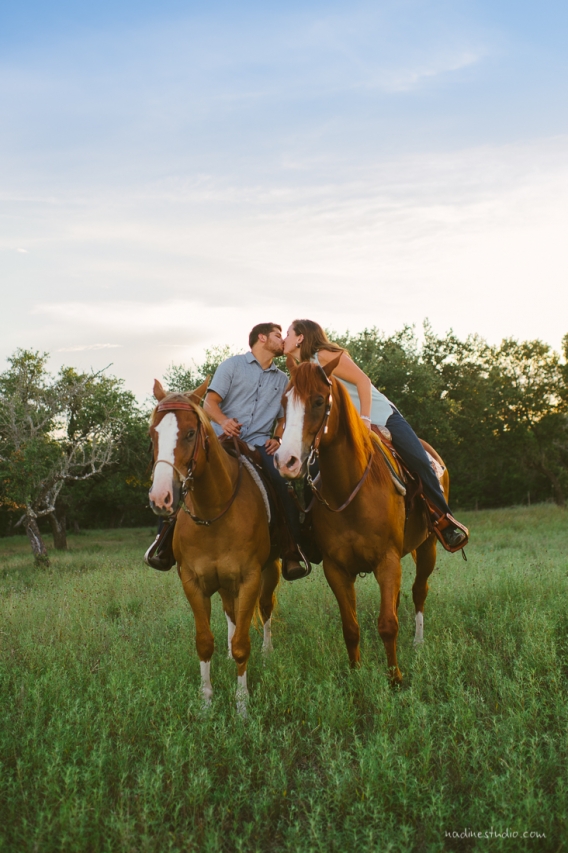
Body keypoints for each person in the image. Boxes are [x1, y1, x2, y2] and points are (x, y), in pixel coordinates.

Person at [283, 319, 468, 551]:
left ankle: (445, 522)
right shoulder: (304, 368)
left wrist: (365, 419)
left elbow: (363, 381)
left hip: (380, 416)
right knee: (314, 470)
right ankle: (312, 531)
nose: (284, 338)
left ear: (300, 338)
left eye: (287, 333)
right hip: (345, 429)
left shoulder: (323, 356)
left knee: (419, 460)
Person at [146, 322, 308, 580]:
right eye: (279, 336)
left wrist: (278, 437)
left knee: (282, 483)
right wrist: (224, 421)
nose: (282, 340)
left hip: (256, 444)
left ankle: (291, 550)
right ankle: (163, 545)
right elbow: (209, 403)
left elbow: (282, 417)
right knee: (186, 477)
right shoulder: (231, 366)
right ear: (262, 338)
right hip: (220, 441)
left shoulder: (282, 379)